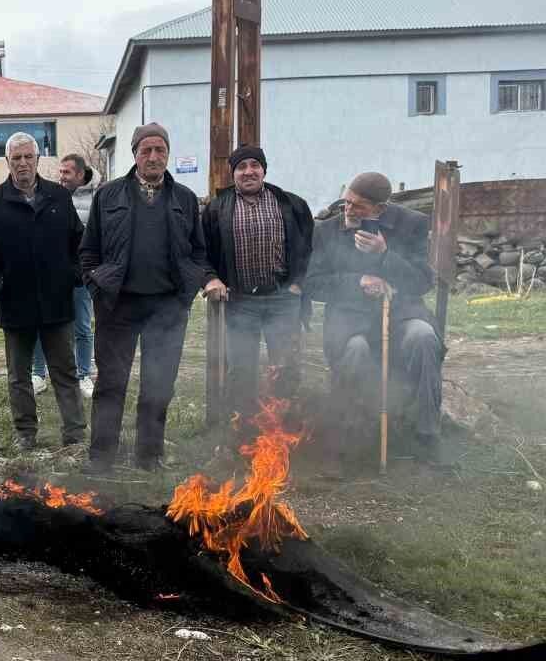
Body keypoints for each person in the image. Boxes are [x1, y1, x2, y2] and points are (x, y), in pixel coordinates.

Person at [81, 123, 226, 471]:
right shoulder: (108, 195)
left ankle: (149, 456)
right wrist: (95, 284)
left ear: (168, 155)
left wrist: (196, 286)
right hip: (118, 305)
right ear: (134, 155)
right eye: (146, 150)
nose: (153, 156)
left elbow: (197, 253)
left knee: (158, 386)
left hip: (167, 307)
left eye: (160, 150)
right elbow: (88, 252)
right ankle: (102, 457)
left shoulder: (185, 200)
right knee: (111, 383)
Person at [305, 171, 446, 464]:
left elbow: (422, 282)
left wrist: (385, 255)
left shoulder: (411, 225)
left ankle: (427, 436)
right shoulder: (327, 230)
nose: (349, 211)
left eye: (358, 207)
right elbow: (313, 282)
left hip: (401, 313)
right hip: (348, 316)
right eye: (347, 202)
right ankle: (345, 440)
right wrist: (358, 280)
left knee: (424, 337)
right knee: (354, 350)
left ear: (380, 209)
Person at [0, 132, 86, 451]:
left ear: (38, 159)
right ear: (7, 161)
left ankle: (75, 432)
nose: (23, 163)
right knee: (18, 376)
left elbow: (77, 242)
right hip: (15, 303)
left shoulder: (58, 197)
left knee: (64, 371)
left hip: (57, 301)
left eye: (28, 157)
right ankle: (26, 432)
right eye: (16, 158)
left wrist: (74, 276)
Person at [202, 144, 314, 413]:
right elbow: (201, 252)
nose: (248, 172)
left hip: (283, 299)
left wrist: (299, 281)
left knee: (285, 367)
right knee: (241, 370)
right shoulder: (216, 209)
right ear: (233, 173)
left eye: (255, 165)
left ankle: (284, 430)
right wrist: (211, 278)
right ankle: (244, 431)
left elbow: (310, 247)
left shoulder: (291, 204)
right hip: (240, 301)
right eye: (241, 167)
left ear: (264, 170)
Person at [31, 153, 98, 398]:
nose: (61, 177)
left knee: (82, 326)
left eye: (67, 173)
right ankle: (38, 374)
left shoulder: (96, 199)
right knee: (42, 323)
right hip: (52, 276)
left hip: (81, 277)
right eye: (60, 172)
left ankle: (83, 375)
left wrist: (89, 271)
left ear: (81, 175)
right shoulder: (50, 197)